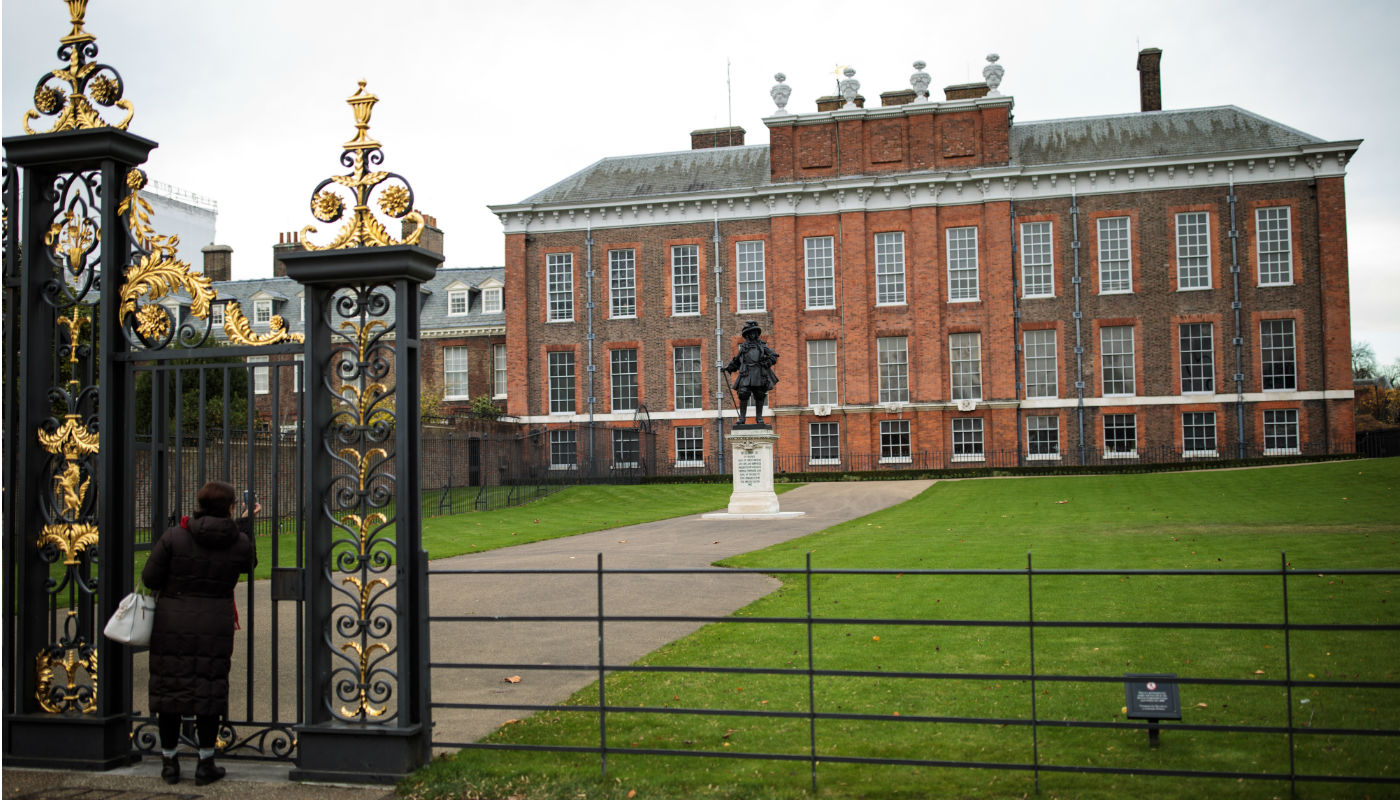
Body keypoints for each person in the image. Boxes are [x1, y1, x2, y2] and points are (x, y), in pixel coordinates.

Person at [142, 480, 257, 786]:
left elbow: (150, 578)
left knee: (170, 691)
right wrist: (245, 524)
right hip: (214, 623)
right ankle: (206, 763)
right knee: (209, 690)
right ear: (230, 506)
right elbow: (249, 564)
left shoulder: (175, 535)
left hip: (172, 622)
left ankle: (169, 761)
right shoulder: (239, 541)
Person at [723, 320, 780, 425]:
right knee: (743, 393)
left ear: (757, 334)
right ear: (747, 335)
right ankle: (742, 418)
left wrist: (767, 362)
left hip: (759, 373)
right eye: (750, 333)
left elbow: (774, 356)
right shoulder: (743, 348)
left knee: (759, 394)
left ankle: (759, 418)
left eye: (754, 332)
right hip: (746, 373)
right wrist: (728, 367)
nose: (752, 335)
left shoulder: (762, 346)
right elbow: (737, 361)